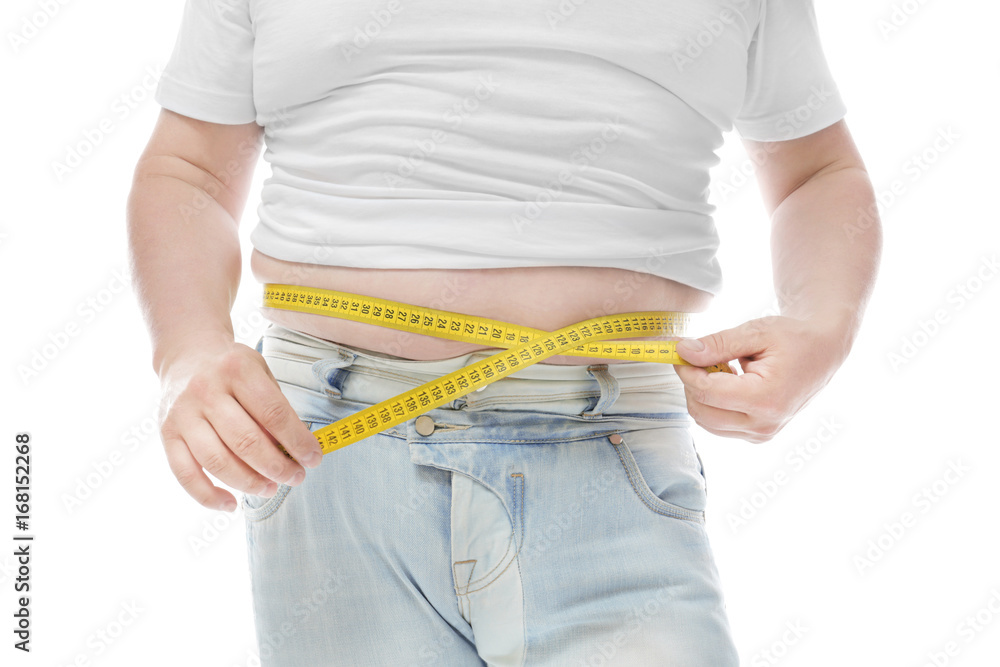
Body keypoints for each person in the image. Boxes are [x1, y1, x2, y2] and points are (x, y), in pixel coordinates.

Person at [126, 0, 881, 664]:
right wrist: (186, 347)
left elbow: (816, 171)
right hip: (326, 451)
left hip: (610, 450)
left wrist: (821, 326)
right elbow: (190, 168)